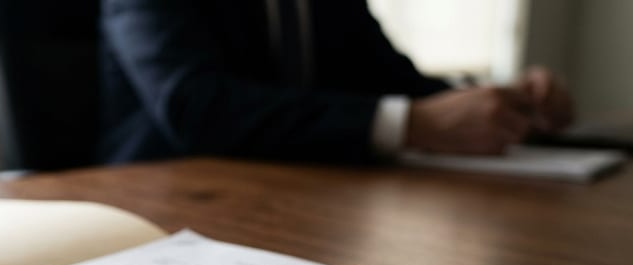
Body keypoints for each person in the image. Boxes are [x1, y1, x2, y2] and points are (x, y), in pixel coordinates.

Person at [98, 0, 574, 164]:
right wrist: (412, 125)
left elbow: (396, 82)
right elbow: (196, 107)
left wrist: (506, 104)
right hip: (165, 203)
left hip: (310, 197)